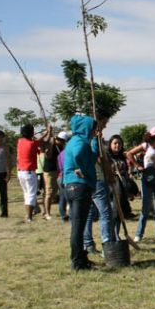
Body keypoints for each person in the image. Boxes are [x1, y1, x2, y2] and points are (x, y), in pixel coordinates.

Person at [63, 115, 97, 271]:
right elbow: (78, 155)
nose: (93, 131)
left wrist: (96, 141)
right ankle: (77, 262)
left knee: (78, 225)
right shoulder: (79, 142)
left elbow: (92, 156)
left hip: (70, 187)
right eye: (92, 128)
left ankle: (81, 257)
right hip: (79, 187)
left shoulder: (74, 141)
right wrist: (82, 169)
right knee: (78, 227)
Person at [126, 126, 155, 243]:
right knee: (145, 208)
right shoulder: (146, 146)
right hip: (147, 180)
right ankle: (139, 234)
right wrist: (137, 166)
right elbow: (129, 154)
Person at [83, 117, 117, 255]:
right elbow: (99, 159)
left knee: (90, 213)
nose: (105, 125)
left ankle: (88, 243)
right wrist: (109, 174)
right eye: (104, 122)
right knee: (105, 213)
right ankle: (107, 244)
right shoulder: (93, 141)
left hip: (89, 180)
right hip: (97, 180)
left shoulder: (85, 139)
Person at [16, 123, 51, 223]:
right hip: (29, 172)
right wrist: (47, 132)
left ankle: (29, 214)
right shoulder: (32, 143)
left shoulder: (20, 141)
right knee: (31, 195)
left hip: (20, 172)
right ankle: (29, 216)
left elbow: (38, 140)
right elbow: (41, 141)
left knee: (26, 194)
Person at [41, 131, 64, 220]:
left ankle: (45, 210)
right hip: (49, 171)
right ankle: (47, 213)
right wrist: (49, 135)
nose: (63, 143)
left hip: (57, 170)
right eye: (61, 141)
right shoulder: (50, 144)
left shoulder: (60, 146)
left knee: (54, 192)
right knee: (49, 193)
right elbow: (48, 155)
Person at [56, 131, 71, 221]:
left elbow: (59, 167)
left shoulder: (60, 154)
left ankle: (63, 215)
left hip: (60, 177)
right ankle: (70, 216)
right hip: (66, 177)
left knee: (62, 197)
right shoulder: (70, 153)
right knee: (69, 198)